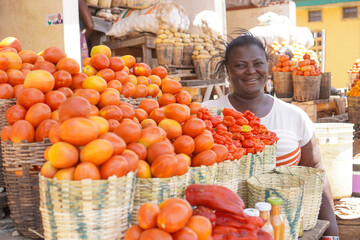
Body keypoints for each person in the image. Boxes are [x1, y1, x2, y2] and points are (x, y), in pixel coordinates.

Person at [203, 31, 339, 239]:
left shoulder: (295, 116)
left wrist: (332, 231)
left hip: (289, 228)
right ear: (228, 71)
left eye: (258, 63)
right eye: (240, 65)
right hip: (224, 230)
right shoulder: (206, 115)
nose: (251, 71)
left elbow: (315, 172)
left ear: (268, 67)